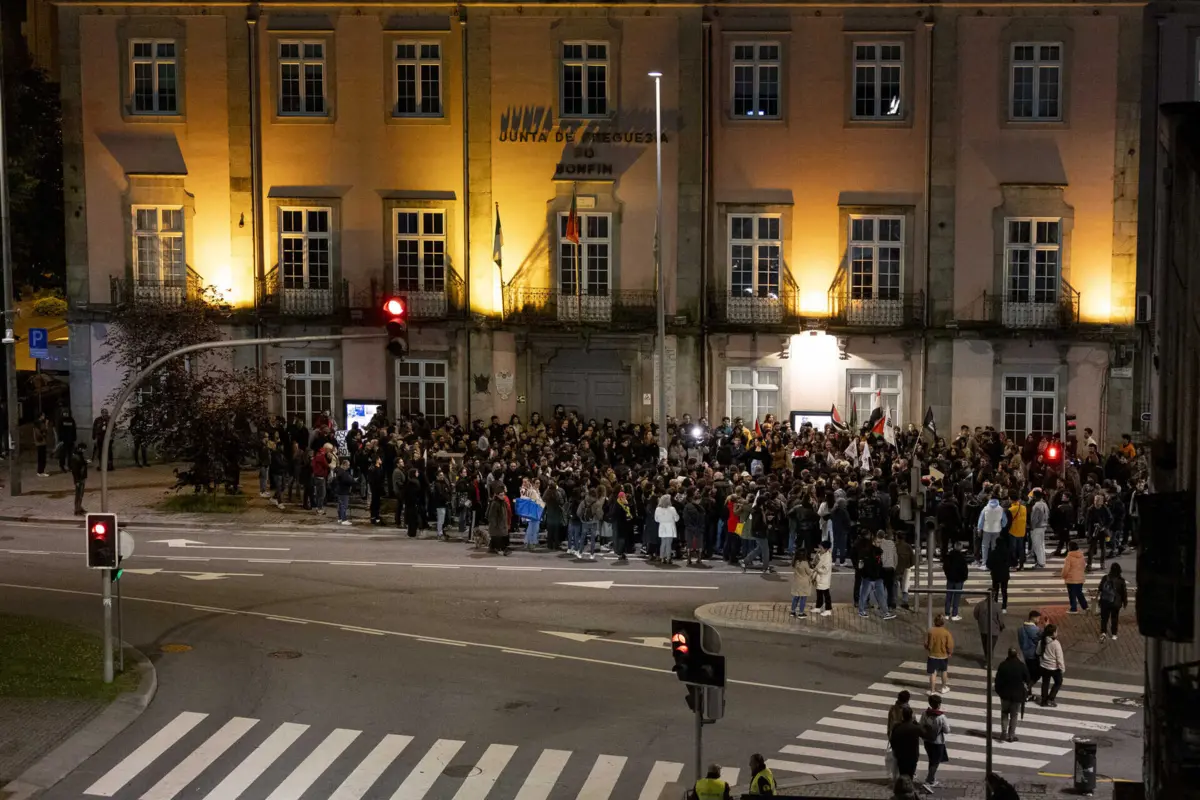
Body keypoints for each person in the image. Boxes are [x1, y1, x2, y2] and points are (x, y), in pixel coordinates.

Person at [994, 647, 1032, 742]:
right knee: (1014, 715)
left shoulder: (1003, 665)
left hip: (1005, 695)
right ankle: (1011, 735)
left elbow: (997, 681)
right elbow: (1028, 679)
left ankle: (1003, 732)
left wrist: (999, 692)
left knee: (1004, 713)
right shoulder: (1021, 666)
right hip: (1017, 695)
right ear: (1017, 655)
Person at [919, 694, 951, 789]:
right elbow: (947, 730)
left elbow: (921, 725)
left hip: (927, 741)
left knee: (931, 760)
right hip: (938, 742)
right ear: (939, 704)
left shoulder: (925, 713)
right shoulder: (941, 717)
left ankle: (931, 779)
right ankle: (929, 779)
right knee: (935, 762)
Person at [888, 706, 922, 782]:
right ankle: (909, 787)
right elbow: (926, 734)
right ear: (911, 716)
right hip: (912, 755)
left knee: (902, 772)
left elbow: (892, 740)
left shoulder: (897, 726)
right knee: (911, 773)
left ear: (903, 715)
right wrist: (917, 723)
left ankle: (903, 786)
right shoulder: (915, 727)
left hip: (901, 755)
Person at [1097, 562, 1129, 641]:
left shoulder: (1105, 578)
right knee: (1114, 618)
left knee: (1104, 618)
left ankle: (1103, 632)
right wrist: (1125, 602)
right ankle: (1114, 634)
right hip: (1115, 602)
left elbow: (1100, 588)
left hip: (1105, 601)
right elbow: (1124, 593)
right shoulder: (1121, 580)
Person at [924, 614, 954, 694]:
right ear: (943, 623)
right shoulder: (946, 633)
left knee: (933, 673)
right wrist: (949, 652)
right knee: (944, 671)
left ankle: (932, 690)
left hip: (932, 655)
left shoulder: (930, 631)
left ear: (934, 622)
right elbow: (950, 645)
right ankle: (944, 687)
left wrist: (928, 648)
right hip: (943, 656)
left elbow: (926, 643)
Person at [1038, 623, 1066, 707]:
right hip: (1053, 668)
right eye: (1056, 631)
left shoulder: (1041, 641)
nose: (1057, 633)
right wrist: (1062, 668)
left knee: (1045, 683)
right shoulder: (1056, 643)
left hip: (1043, 666)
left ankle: (1044, 701)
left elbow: (1038, 652)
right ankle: (1051, 698)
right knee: (1058, 682)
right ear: (1053, 633)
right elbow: (1059, 658)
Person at [1017, 610, 1043, 697]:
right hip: (1032, 654)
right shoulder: (1034, 629)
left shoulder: (1021, 628)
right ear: (1034, 618)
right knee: (1036, 674)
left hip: (1025, 653)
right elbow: (1039, 638)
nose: (1039, 621)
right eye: (1038, 618)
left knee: (1029, 674)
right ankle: (1026, 689)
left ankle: (1028, 692)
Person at [973, 592, 1004, 660]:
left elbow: (975, 615)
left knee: (985, 645)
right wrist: (1001, 626)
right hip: (994, 630)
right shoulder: (997, 606)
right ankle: (988, 662)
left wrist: (981, 620)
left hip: (983, 628)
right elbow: (1000, 619)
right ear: (994, 596)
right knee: (990, 647)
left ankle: (987, 658)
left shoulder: (980, 604)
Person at [942, 541, 969, 621]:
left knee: (948, 597)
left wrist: (948, 575)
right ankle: (954, 614)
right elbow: (965, 570)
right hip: (959, 581)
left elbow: (945, 567)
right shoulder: (962, 558)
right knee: (956, 598)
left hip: (950, 579)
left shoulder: (949, 556)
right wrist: (964, 578)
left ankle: (947, 614)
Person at [987, 529, 1011, 612]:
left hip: (995, 574)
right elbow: (1013, 562)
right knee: (1004, 591)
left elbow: (988, 564)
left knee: (995, 590)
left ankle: (995, 605)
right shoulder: (1007, 552)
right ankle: (1004, 607)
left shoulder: (993, 553)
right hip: (1004, 574)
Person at [1062, 540, 1088, 613]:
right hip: (1080, 579)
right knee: (1079, 593)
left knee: (1072, 595)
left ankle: (1073, 609)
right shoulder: (1081, 555)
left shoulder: (1069, 557)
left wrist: (1063, 575)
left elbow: (1066, 569)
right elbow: (1084, 566)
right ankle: (1085, 606)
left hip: (1071, 579)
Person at [654, 493, 679, 564]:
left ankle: (662, 557)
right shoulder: (672, 509)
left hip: (662, 527)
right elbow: (676, 518)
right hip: (670, 527)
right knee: (669, 543)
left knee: (663, 542)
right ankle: (668, 558)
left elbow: (656, 519)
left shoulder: (658, 509)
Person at [1028, 488, 1050, 568]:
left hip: (1037, 527)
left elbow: (1034, 519)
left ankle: (1040, 563)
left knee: (1037, 546)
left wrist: (1031, 527)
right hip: (1043, 526)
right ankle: (1042, 561)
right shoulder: (1045, 504)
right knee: (1041, 545)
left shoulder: (1036, 506)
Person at [790, 548, 815, 618]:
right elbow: (809, 572)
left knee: (795, 597)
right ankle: (801, 613)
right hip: (804, 583)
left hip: (796, 582)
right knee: (803, 598)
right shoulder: (805, 563)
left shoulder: (795, 562)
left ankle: (792, 611)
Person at [487, 484, 511, 555]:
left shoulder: (503, 502)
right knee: (501, 539)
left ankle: (492, 548)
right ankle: (504, 550)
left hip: (502, 524)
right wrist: (494, 525)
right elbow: (492, 516)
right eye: (501, 495)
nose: (502, 496)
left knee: (498, 539)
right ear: (497, 495)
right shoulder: (495, 503)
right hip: (497, 526)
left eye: (503, 495)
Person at [813, 541, 833, 615]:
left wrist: (817, 569)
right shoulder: (820, 554)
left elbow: (825, 570)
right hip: (820, 577)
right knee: (819, 593)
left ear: (826, 549)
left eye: (821, 548)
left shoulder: (827, 557)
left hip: (824, 578)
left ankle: (828, 609)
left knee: (826, 594)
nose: (819, 549)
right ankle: (818, 607)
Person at [69, 442, 89, 516]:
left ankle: (79, 507)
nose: (84, 451)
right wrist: (76, 480)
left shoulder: (78, 455)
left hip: (81, 477)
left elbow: (81, 464)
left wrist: (85, 462)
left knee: (80, 494)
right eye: (84, 449)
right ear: (80, 448)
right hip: (79, 478)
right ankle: (77, 509)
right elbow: (75, 470)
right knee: (79, 494)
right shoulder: (76, 457)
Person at [56, 408, 78, 473]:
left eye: (67, 413)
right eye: (65, 413)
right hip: (64, 440)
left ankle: (70, 466)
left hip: (71, 440)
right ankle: (62, 466)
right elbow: (59, 431)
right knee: (63, 454)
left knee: (70, 454)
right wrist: (60, 439)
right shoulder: (61, 420)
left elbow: (74, 430)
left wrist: (74, 438)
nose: (66, 414)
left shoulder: (71, 420)